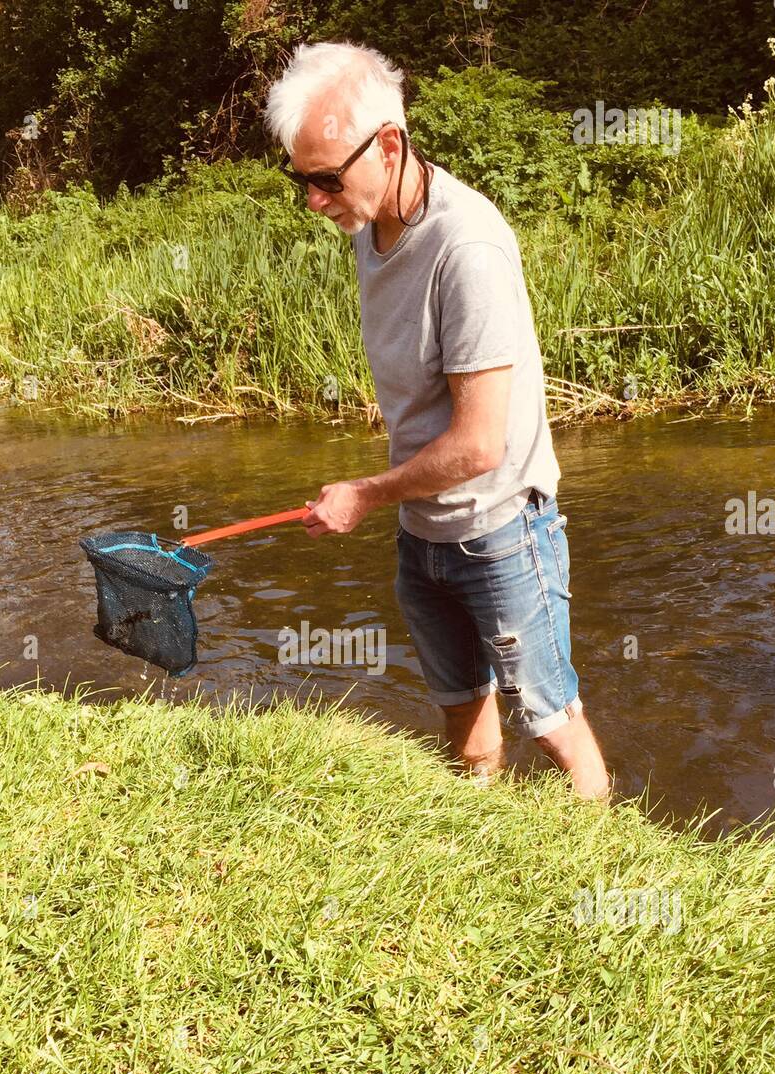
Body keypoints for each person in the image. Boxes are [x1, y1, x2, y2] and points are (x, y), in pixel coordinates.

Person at [264, 41, 610, 800]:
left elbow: (480, 444)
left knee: (552, 722)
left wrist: (360, 492)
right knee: (461, 717)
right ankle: (479, 845)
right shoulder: (368, 228)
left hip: (501, 532)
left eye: (327, 179)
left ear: (388, 145)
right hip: (422, 533)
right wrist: (390, 502)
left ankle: (595, 865)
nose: (314, 199)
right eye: (301, 179)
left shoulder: (468, 247)